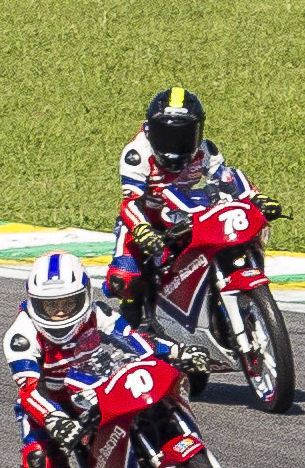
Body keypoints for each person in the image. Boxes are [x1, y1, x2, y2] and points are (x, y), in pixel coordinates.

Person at [5, 248, 199, 468]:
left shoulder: (99, 313)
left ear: (84, 295)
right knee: (38, 462)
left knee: (154, 389)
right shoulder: (20, 335)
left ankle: (175, 445)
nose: (59, 313)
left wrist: (177, 351)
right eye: (50, 306)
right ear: (34, 304)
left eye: (68, 304)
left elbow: (137, 341)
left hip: (99, 383)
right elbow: (29, 389)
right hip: (53, 405)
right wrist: (55, 419)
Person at [107, 88, 261, 323]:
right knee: (124, 278)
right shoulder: (136, 153)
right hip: (146, 218)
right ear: (151, 129)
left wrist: (256, 198)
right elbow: (130, 202)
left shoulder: (206, 150)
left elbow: (226, 179)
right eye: (167, 134)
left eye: (184, 135)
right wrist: (142, 229)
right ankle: (134, 323)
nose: (175, 144)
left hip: (185, 211)